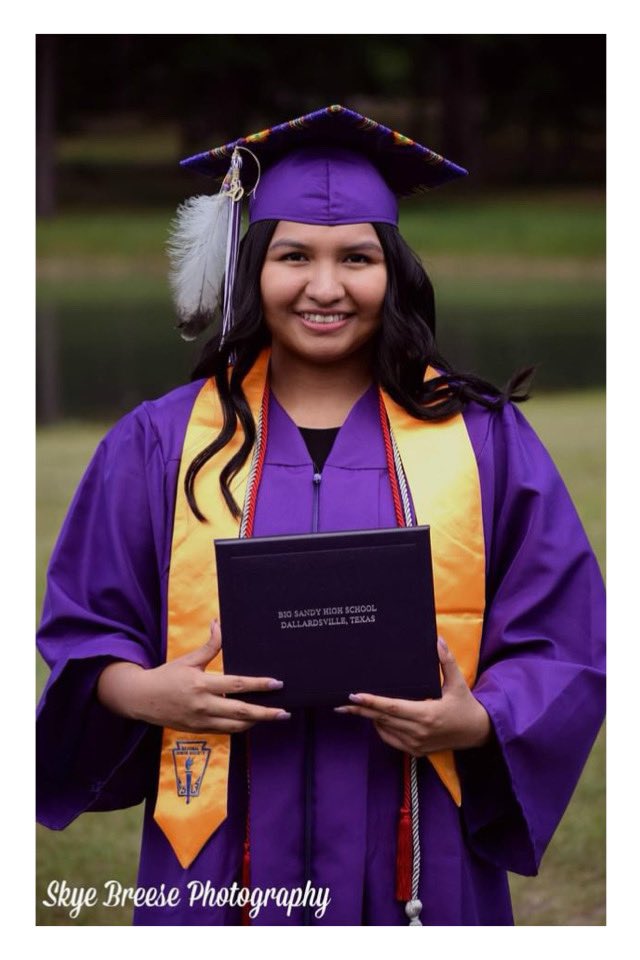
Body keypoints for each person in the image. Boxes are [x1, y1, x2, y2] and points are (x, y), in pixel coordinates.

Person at [36, 105, 605, 926]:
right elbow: (86, 628)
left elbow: (563, 638)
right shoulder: (161, 442)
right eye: (294, 255)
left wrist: (478, 718)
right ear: (253, 267)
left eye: (358, 257)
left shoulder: (484, 441)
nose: (326, 287)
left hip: (418, 839)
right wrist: (146, 694)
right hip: (220, 861)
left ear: (395, 270)